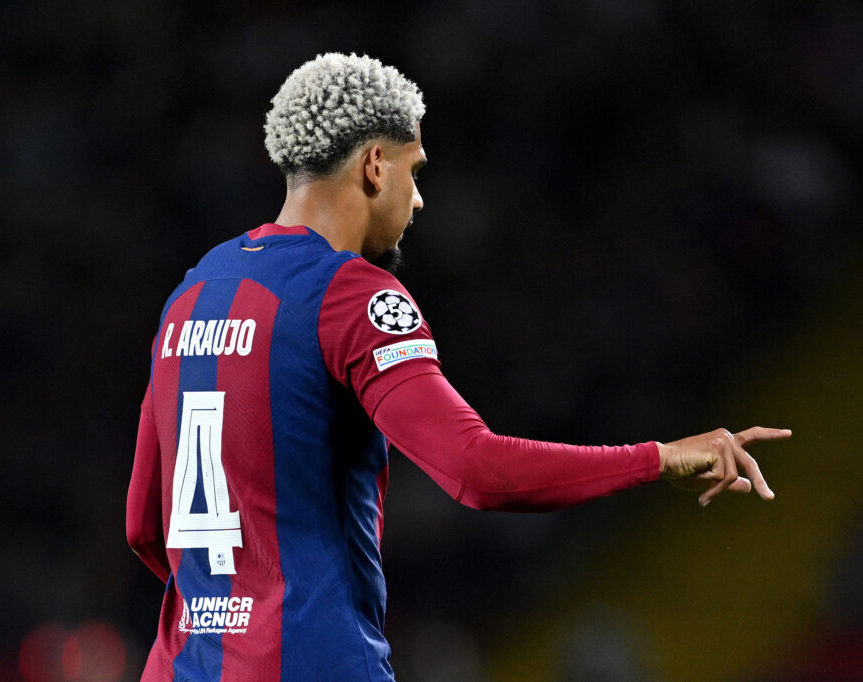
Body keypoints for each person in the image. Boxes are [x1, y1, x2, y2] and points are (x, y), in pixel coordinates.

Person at [126, 52, 791, 681]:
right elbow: (477, 470)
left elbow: (144, 524)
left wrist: (227, 614)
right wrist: (655, 457)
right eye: (415, 172)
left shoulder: (190, 294)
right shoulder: (352, 294)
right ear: (374, 165)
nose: (417, 201)